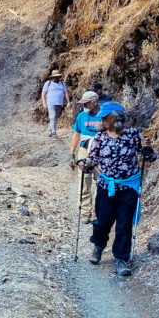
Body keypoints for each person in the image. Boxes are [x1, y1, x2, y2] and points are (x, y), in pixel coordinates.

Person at [78, 102, 157, 276]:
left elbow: (150, 157)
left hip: (129, 186)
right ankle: (98, 245)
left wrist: (148, 148)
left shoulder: (133, 135)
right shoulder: (99, 137)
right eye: (102, 117)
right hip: (106, 186)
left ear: (116, 117)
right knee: (102, 220)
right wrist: (86, 164)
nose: (102, 119)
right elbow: (93, 159)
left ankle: (121, 259)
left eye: (106, 117)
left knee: (124, 223)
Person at [69, 91, 101, 224]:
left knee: (101, 182)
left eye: (86, 103)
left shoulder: (104, 116)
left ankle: (99, 212)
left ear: (94, 102)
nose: (85, 106)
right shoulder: (81, 116)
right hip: (84, 149)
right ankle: (85, 212)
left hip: (101, 151)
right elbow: (76, 135)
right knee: (83, 181)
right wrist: (72, 154)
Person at [41, 70, 71, 137]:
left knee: (55, 117)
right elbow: (43, 94)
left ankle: (50, 130)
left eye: (57, 77)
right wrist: (44, 103)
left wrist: (68, 102)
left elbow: (66, 93)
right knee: (53, 117)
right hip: (50, 103)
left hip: (59, 103)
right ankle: (54, 133)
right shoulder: (48, 83)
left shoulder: (62, 83)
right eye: (55, 77)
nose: (56, 78)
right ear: (52, 77)